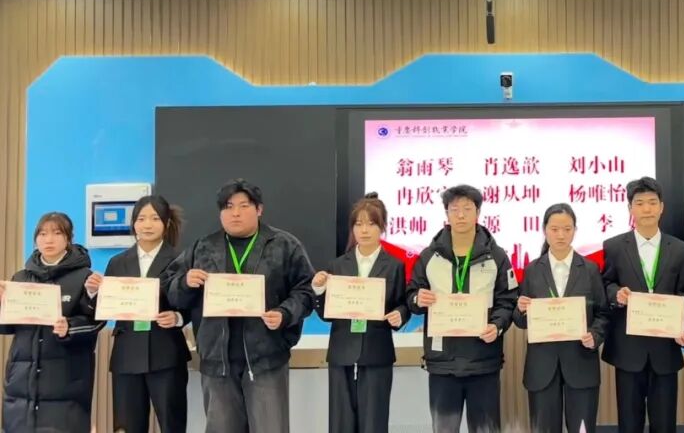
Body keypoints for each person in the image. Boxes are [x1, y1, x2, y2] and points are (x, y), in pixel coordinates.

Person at [167, 179, 315, 433]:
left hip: (266, 359)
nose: (235, 213)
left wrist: (284, 313)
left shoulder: (284, 245)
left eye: (243, 206)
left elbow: (307, 289)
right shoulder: (203, 248)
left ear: (259, 210)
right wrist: (185, 282)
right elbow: (170, 290)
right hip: (217, 362)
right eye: (228, 206)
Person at [405, 184, 518, 433]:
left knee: (486, 429)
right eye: (454, 209)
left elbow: (508, 300)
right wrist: (417, 299)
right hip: (442, 362)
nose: (461, 215)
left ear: (478, 213)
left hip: (483, 360)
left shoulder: (496, 256)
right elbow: (411, 295)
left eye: (467, 208)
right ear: (446, 214)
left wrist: (497, 325)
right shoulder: (429, 256)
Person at [84, 195, 191, 433]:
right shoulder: (117, 262)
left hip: (166, 353)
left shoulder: (181, 260)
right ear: (133, 224)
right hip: (127, 354)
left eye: (154, 218)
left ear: (166, 223)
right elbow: (105, 309)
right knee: (127, 425)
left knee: (172, 423)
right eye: (141, 219)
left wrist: (178, 318)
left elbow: (191, 302)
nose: (147, 224)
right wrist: (94, 292)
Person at [312, 192, 410, 433]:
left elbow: (403, 303)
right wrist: (319, 290)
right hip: (342, 352)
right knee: (340, 422)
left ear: (382, 227)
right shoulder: (337, 265)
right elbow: (326, 314)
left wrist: (400, 314)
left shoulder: (395, 266)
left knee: (374, 422)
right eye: (358, 224)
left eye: (371, 223)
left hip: (377, 352)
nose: (364, 230)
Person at [601, 176, 684, 433]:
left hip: (665, 348)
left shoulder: (681, 249)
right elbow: (605, 284)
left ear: (662, 207)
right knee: (629, 423)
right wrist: (616, 294)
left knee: (664, 423)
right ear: (630, 208)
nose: (647, 209)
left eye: (652, 202)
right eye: (640, 203)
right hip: (628, 348)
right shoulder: (614, 246)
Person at [0, 212, 104, 432]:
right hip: (22, 382)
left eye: (57, 233)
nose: (49, 239)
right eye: (43, 234)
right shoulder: (21, 278)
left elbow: (96, 322)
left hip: (65, 381)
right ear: (35, 239)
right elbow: (7, 327)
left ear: (69, 239)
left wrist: (69, 327)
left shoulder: (85, 277)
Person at [513, 203, 611, 433]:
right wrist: (521, 310)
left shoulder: (590, 269)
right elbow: (520, 320)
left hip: (581, 361)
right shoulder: (532, 270)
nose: (561, 235)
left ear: (575, 230)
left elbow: (603, 313)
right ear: (544, 230)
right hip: (542, 366)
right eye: (555, 229)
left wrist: (595, 335)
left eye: (567, 229)